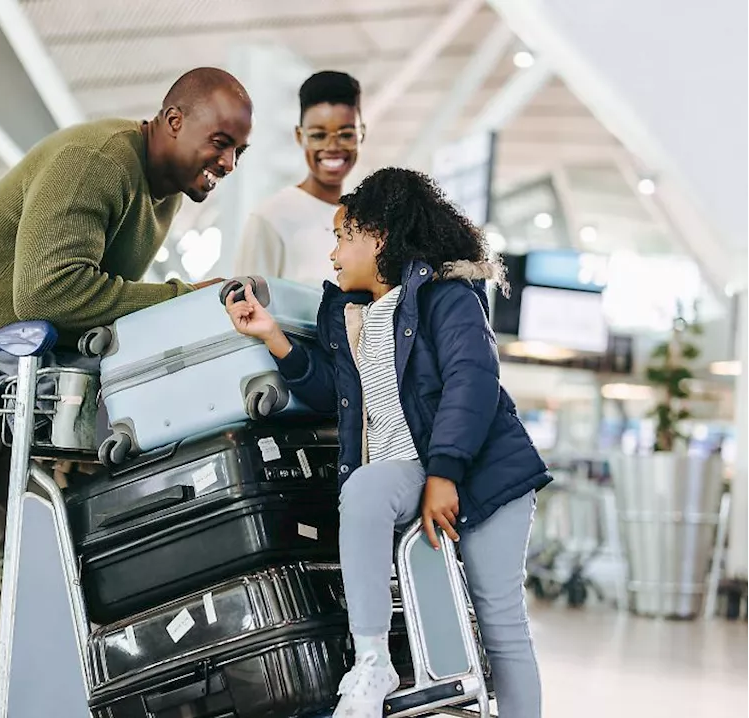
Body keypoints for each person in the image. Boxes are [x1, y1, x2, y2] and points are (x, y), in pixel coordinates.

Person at [0, 68, 254, 718]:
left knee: (18, 558)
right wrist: (183, 298)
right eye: (220, 141)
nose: (228, 161)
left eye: (239, 151)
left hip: (5, 375)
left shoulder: (160, 194)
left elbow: (87, 310)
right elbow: (49, 293)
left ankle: (7, 706)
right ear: (173, 120)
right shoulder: (98, 161)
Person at [224, 168, 549, 718]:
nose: (333, 254)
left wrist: (445, 474)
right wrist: (273, 336)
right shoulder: (350, 314)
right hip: (410, 468)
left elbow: (473, 380)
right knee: (367, 488)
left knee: (500, 621)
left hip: (485, 475)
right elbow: (334, 392)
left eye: (342, 237)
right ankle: (372, 661)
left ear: (378, 237)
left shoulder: (448, 296)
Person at [234, 70, 364, 287]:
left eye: (346, 134)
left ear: (362, 134)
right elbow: (243, 311)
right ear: (299, 136)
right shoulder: (271, 219)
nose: (332, 147)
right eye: (318, 135)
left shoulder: (369, 219)